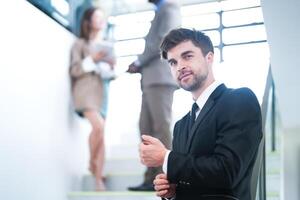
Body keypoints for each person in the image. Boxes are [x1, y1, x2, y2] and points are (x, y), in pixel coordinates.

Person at [139, 28, 263, 200]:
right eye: (173, 62)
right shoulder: (181, 125)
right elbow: (195, 176)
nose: (180, 66)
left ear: (209, 58)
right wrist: (174, 191)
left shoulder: (239, 99)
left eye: (187, 56)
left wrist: (165, 157)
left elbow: (227, 172)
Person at [127, 0, 181, 192]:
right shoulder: (162, 10)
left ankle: (164, 178)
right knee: (146, 129)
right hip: (150, 79)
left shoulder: (169, 8)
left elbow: (163, 41)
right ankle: (150, 178)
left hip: (160, 78)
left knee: (160, 127)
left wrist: (139, 61)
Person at [69, 6, 116, 191]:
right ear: (88, 21)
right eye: (97, 17)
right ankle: (91, 162)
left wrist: (111, 67)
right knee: (99, 127)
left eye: (102, 17)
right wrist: (93, 59)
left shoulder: (107, 45)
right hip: (86, 92)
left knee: (101, 134)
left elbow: (109, 74)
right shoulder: (80, 44)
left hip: (102, 92)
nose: (101, 20)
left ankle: (98, 180)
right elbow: (74, 70)